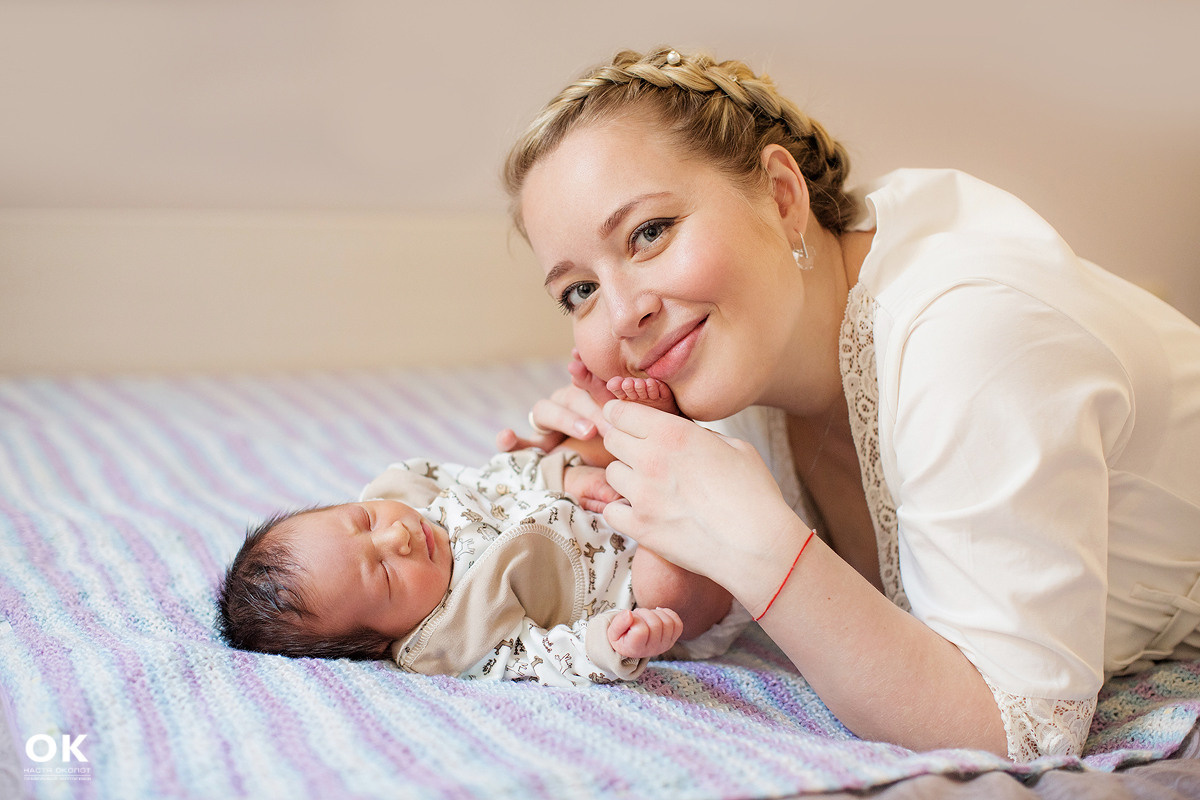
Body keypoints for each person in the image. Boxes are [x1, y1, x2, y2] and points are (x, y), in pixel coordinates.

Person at [497, 46, 1200, 759]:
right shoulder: (740, 351)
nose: (621, 316)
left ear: (780, 195)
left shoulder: (967, 336)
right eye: (578, 291)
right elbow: (691, 612)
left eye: (650, 233)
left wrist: (759, 543)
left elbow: (1018, 735)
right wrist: (623, 486)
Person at [217, 390, 749, 686]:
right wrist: (608, 643)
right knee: (667, 585)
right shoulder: (449, 636)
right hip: (624, 583)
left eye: (365, 522)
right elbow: (536, 656)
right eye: (383, 574)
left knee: (576, 444)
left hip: (596, 503)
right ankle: (709, 516)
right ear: (381, 641)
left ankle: (668, 425)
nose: (397, 538)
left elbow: (498, 476)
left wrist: (561, 475)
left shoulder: (411, 496)